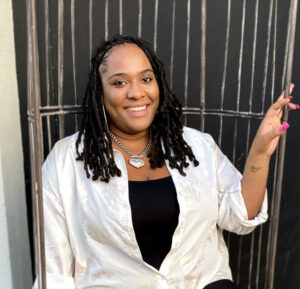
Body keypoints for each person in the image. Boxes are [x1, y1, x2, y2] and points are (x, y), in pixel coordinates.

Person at [34, 34, 298, 289]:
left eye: (146, 79)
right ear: (100, 93)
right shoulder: (67, 160)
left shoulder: (195, 147)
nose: (137, 93)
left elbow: (240, 217)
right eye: (119, 83)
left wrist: (261, 152)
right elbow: (53, 271)